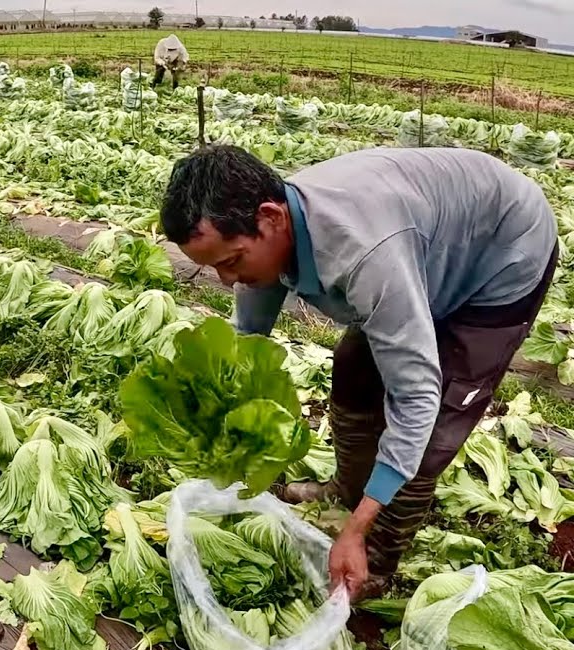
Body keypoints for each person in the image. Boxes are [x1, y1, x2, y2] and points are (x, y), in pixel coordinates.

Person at [159, 145, 558, 600]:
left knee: (433, 424)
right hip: (425, 244)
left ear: (271, 218)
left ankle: (377, 555)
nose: (228, 280)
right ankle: (346, 486)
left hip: (502, 255)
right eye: (214, 268)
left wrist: (355, 528)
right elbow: (247, 336)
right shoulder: (272, 234)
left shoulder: (363, 254)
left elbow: (415, 396)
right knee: (353, 371)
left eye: (231, 262)